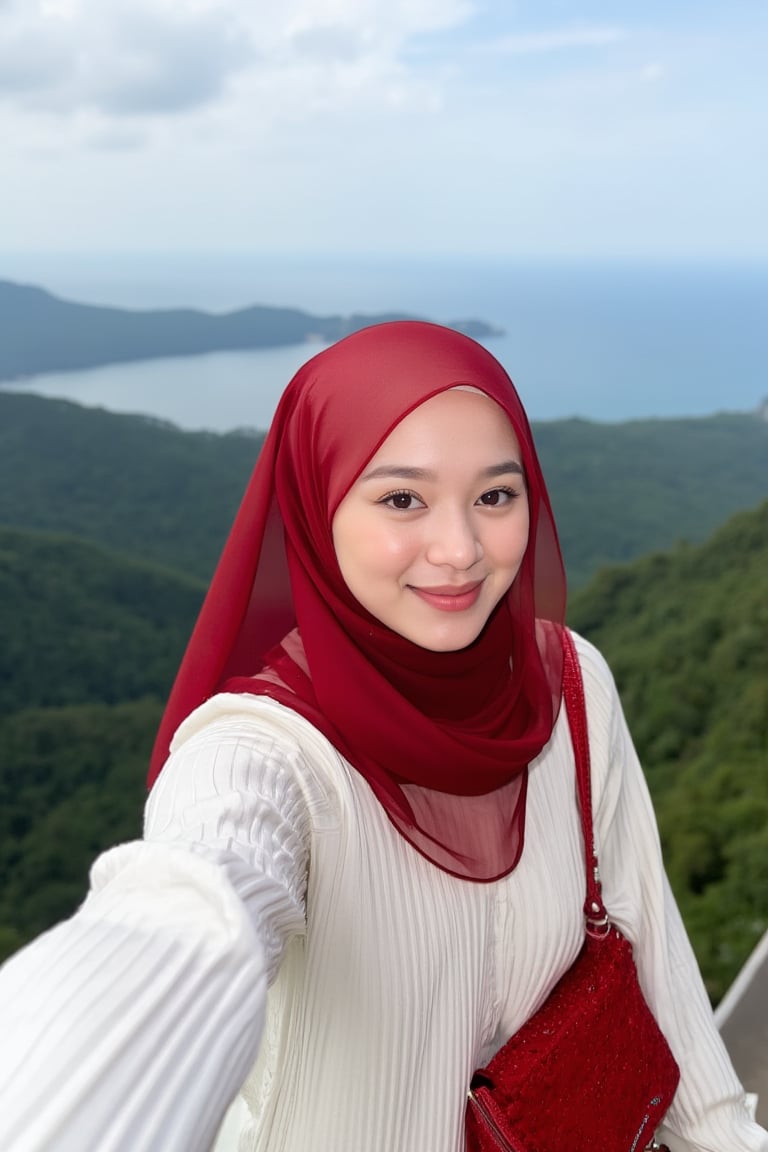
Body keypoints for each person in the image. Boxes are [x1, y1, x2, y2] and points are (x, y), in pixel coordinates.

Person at [0, 321, 764, 1152]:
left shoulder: (572, 685)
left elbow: (659, 976)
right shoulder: (262, 755)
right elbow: (185, 919)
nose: (460, 549)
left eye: (495, 496)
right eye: (403, 498)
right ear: (315, 504)